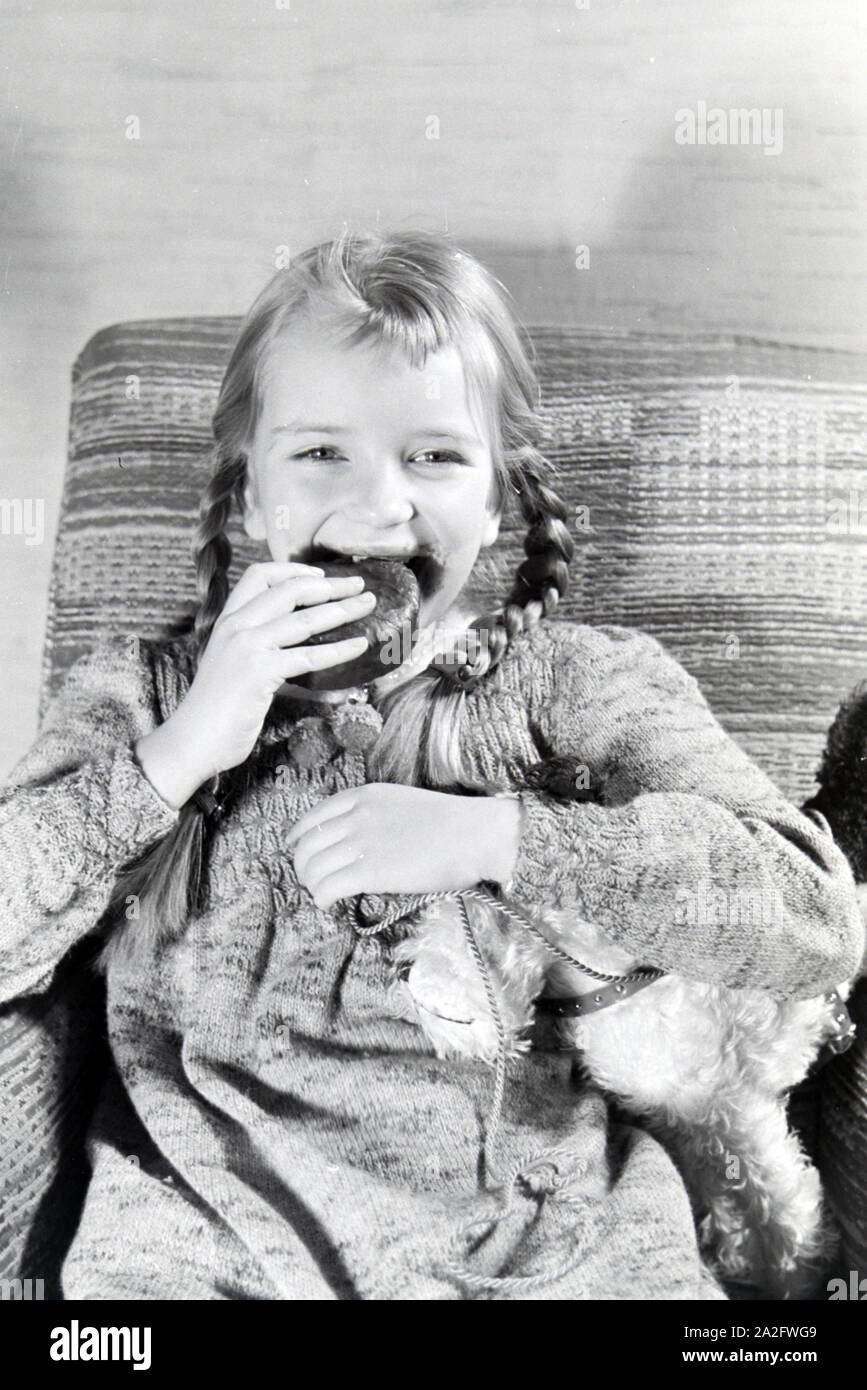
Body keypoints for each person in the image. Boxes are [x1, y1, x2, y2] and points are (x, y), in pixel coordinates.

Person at [0, 229, 862, 1301]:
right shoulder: (145, 695)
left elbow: (814, 915)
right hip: (204, 1246)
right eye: (322, 453)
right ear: (248, 493)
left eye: (435, 456)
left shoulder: (569, 685)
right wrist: (177, 757)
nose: (381, 504)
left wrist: (497, 839)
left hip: (547, 1245)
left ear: (497, 500)